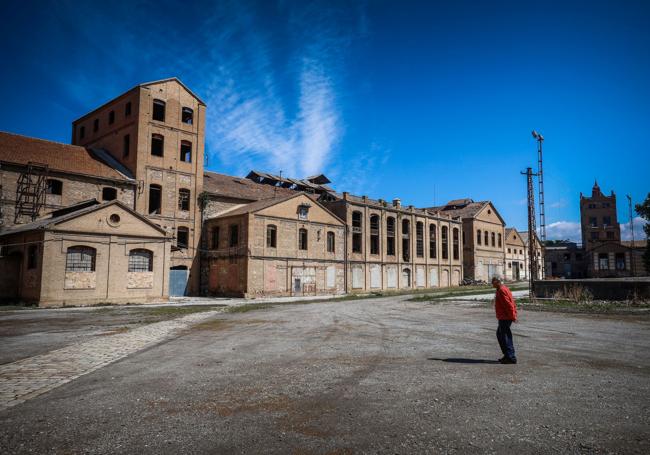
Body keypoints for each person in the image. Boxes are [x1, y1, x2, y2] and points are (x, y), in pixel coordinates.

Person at [491, 276, 517, 364]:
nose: (492, 284)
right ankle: (507, 355)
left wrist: (513, 316)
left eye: (493, 282)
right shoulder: (501, 289)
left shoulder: (502, 290)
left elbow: (508, 304)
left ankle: (510, 357)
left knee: (505, 336)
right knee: (500, 334)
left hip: (505, 317)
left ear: (498, 282)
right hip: (503, 317)